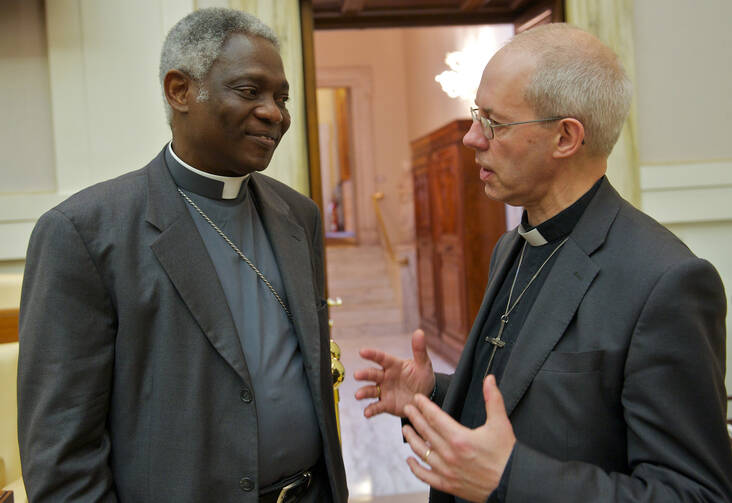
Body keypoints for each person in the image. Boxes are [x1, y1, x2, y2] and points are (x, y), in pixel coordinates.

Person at [355, 23, 732, 503]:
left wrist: (511, 477)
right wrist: (433, 396)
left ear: (565, 138)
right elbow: (530, 401)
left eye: (494, 122)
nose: (472, 137)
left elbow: (695, 494)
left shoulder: (665, 281)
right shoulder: (510, 246)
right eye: (476, 115)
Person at [18, 8, 347, 503]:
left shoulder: (298, 215)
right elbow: (61, 451)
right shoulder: (83, 232)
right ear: (180, 90)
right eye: (249, 91)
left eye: (281, 97)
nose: (275, 113)